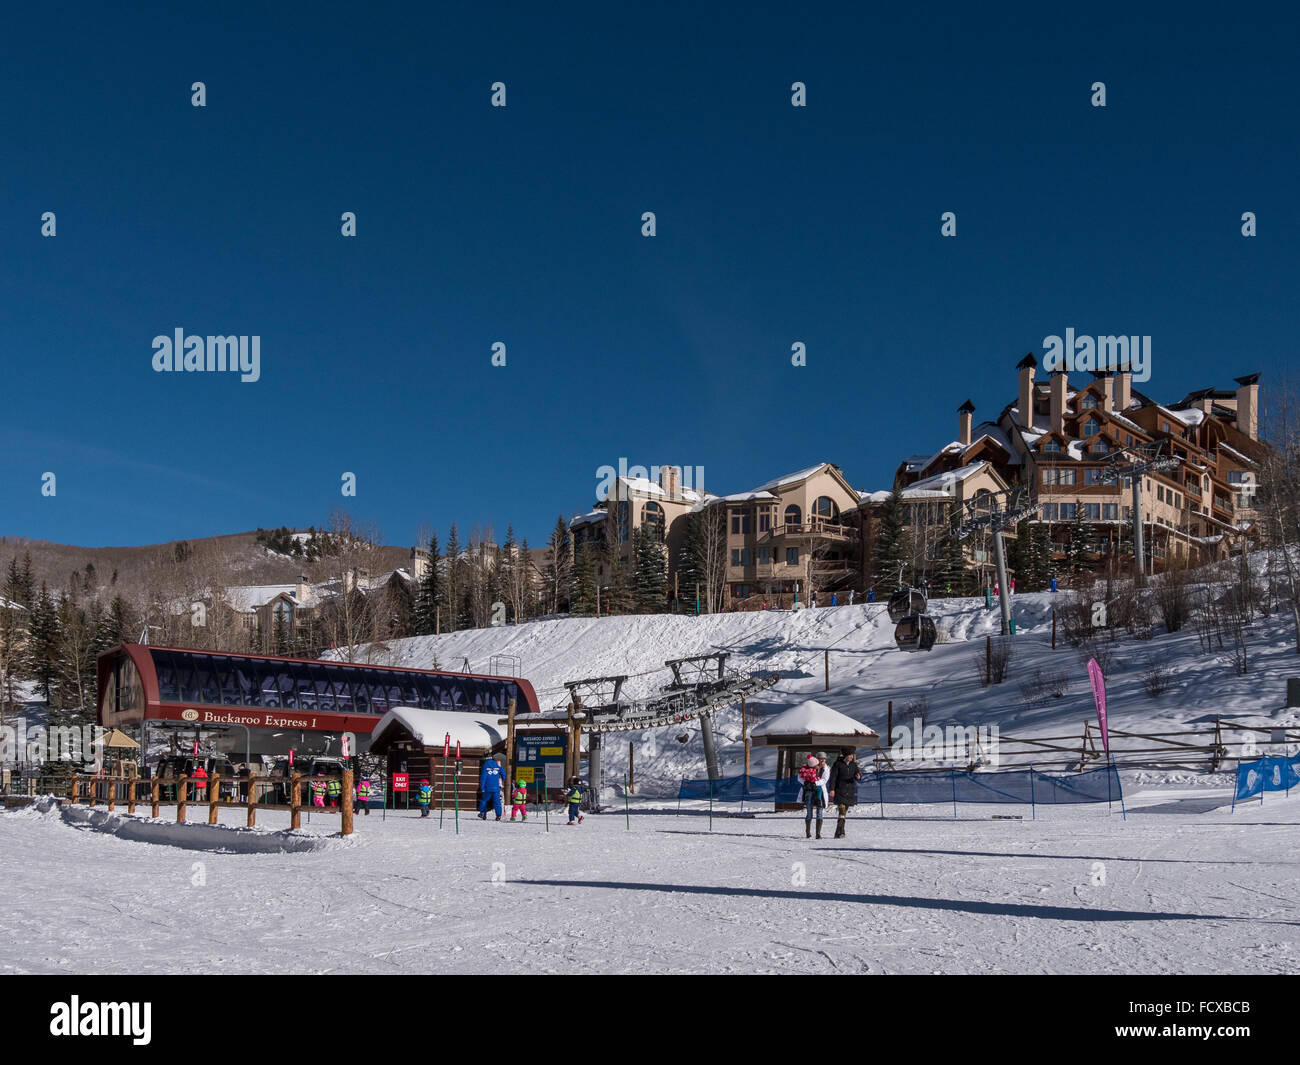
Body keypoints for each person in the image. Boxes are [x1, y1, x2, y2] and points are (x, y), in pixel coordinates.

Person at [827, 748, 863, 839]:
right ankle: (842, 831)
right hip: (839, 791)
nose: (852, 757)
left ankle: (837, 832)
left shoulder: (854, 765)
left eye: (852, 755)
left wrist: (858, 776)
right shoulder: (837, 764)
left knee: (843, 814)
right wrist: (832, 789)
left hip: (849, 791)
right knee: (842, 810)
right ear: (846, 755)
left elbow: (857, 774)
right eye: (850, 755)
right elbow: (833, 778)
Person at [797, 754, 829, 839]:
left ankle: (818, 833)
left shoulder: (825, 769)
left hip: (819, 792)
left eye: (823, 759)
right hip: (809, 791)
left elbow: (824, 780)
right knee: (809, 812)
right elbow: (799, 777)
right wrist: (806, 783)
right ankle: (808, 832)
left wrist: (815, 783)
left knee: (819, 812)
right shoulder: (806, 768)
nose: (822, 761)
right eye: (820, 759)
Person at [478, 755, 504, 820]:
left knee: (484, 801)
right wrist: (502, 779)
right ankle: (498, 815)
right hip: (496, 788)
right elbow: (503, 772)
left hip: (487, 788)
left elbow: (483, 778)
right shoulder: (496, 765)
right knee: (497, 802)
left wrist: (482, 787)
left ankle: (483, 813)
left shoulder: (485, 766)